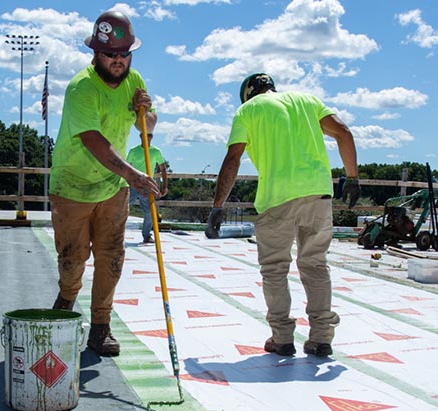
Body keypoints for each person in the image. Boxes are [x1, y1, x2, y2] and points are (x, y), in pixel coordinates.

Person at [205, 73, 360, 358]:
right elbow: (343, 133)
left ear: (249, 93)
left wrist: (218, 205)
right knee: (315, 265)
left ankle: (282, 338)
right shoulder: (307, 100)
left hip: (277, 199)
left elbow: (233, 158)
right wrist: (352, 177)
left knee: (275, 269)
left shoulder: (247, 111)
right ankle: (321, 337)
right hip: (318, 194)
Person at [49, 10, 160, 357]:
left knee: (112, 257)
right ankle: (66, 300)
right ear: (95, 53)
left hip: (113, 186)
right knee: (73, 258)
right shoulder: (81, 87)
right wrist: (133, 174)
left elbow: (148, 125)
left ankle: (100, 326)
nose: (118, 60)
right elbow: (93, 139)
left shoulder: (134, 79)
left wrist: (147, 107)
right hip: (73, 186)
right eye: (110, 54)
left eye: (124, 53)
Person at [126, 132, 169, 243]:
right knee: (123, 209)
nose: (147, 138)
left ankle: (146, 235)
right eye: (145, 135)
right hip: (134, 184)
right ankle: (115, 234)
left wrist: (165, 186)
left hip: (148, 185)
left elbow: (163, 169)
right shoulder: (133, 151)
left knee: (149, 212)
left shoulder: (156, 151)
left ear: (152, 137)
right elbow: (127, 167)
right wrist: (129, 182)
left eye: (149, 135)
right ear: (140, 137)